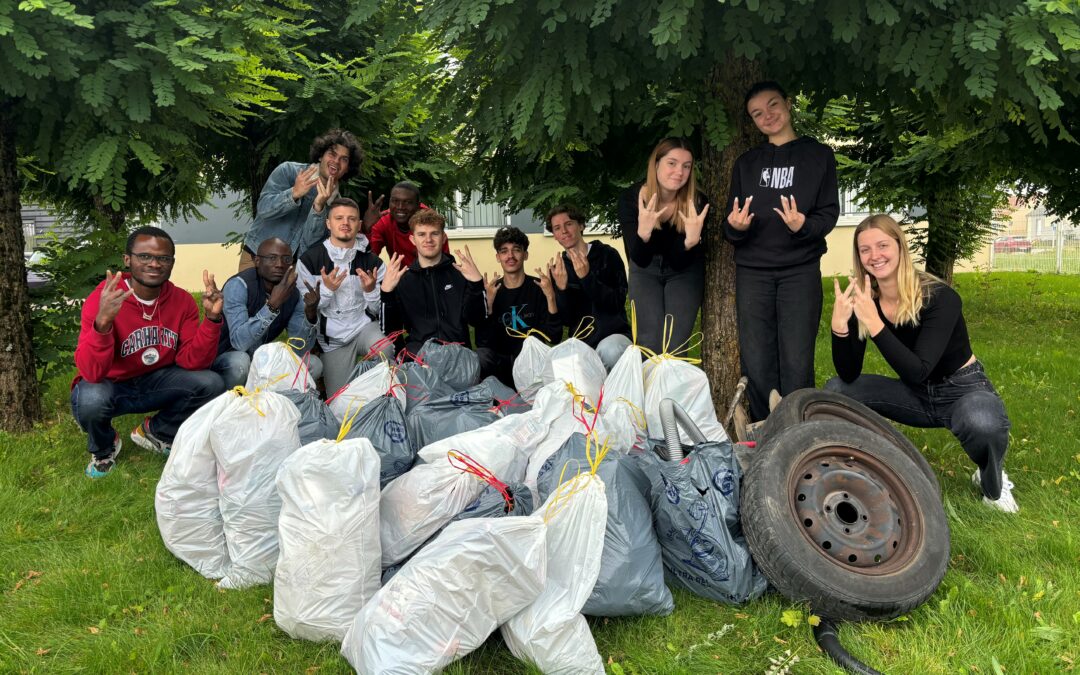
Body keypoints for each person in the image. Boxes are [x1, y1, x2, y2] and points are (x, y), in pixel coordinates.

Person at [826, 215, 1018, 513]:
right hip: (915, 394)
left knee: (982, 422)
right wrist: (840, 328)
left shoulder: (940, 297)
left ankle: (993, 480)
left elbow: (920, 368)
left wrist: (875, 324)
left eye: (882, 245)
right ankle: (862, 466)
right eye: (865, 250)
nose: (875, 256)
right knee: (836, 391)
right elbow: (848, 374)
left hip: (962, 389)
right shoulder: (867, 301)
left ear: (900, 247)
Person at [724, 80, 839, 421]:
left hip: (799, 271)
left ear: (788, 105)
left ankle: (799, 431)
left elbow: (829, 213)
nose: (767, 116)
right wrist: (736, 227)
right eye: (757, 113)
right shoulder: (746, 164)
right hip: (753, 273)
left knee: (796, 360)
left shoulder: (818, 156)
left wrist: (802, 226)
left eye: (772, 105)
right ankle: (764, 432)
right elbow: (731, 226)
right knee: (757, 360)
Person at [71, 226, 226, 478]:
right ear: (127, 260)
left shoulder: (182, 301)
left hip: (156, 380)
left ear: (172, 263)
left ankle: (156, 432)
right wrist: (103, 323)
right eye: (145, 256)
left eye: (163, 258)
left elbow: (192, 362)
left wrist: (211, 319)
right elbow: (91, 371)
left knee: (211, 382)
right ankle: (104, 448)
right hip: (112, 384)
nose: (154, 264)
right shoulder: (104, 298)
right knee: (89, 400)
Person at [618, 138, 711, 353]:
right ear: (656, 164)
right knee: (649, 343)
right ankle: (649, 386)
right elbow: (639, 258)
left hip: (684, 269)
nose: (679, 171)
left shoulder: (697, 203)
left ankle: (674, 386)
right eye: (672, 163)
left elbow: (680, 262)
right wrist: (644, 233)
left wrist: (690, 242)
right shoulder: (630, 200)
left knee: (675, 345)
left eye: (686, 166)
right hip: (645, 268)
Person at [296, 198, 394, 396]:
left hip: (364, 328)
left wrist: (370, 291)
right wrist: (328, 290)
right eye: (338, 218)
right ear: (328, 223)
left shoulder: (372, 261)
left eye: (352, 219)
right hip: (333, 339)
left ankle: (378, 393)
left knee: (385, 349)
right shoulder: (309, 261)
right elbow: (309, 311)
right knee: (338, 399)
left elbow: (377, 311)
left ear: (359, 225)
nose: (345, 223)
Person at [240, 128, 363, 271]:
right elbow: (263, 209)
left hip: (292, 270)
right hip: (256, 258)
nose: (336, 161)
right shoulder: (289, 171)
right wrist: (293, 194)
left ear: (348, 168)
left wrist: (319, 207)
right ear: (320, 156)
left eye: (344, 159)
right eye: (332, 154)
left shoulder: (337, 206)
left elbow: (310, 245)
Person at [212, 237, 323, 388]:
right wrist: (272, 305)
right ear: (257, 261)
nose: (279, 264)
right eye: (272, 258)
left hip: (259, 358)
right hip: (225, 357)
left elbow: (299, 348)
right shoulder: (239, 286)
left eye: (286, 259)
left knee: (313, 364)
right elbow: (239, 343)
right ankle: (232, 405)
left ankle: (276, 405)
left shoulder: (293, 294)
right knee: (241, 362)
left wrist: (310, 315)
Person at [380, 208, 487, 355]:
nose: (428, 240)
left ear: (443, 237)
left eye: (434, 233)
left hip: (458, 354)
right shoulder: (404, 280)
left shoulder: (460, 274)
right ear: (413, 239)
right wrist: (386, 293)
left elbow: (477, 320)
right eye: (422, 234)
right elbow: (390, 331)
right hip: (420, 358)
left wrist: (476, 283)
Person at [546, 205, 632, 370]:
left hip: (614, 337)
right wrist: (561, 289)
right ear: (555, 236)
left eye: (569, 224)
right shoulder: (559, 269)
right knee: (556, 365)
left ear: (581, 225)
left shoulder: (608, 255)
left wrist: (587, 278)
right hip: (582, 344)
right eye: (557, 228)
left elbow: (617, 302)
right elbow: (567, 320)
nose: (564, 231)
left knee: (609, 351)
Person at [477, 226, 562, 386]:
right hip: (501, 365)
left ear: (525, 255)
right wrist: (488, 303)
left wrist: (550, 296)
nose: (510, 256)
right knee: (480, 356)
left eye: (516, 250)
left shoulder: (540, 288)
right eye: (504, 251)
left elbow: (554, 337)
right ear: (498, 257)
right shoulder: (492, 291)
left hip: (532, 364)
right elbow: (483, 344)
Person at [361, 181, 448, 267]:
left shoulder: (430, 222)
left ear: (418, 205)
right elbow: (369, 260)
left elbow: (445, 263)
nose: (400, 207)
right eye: (395, 201)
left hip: (431, 275)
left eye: (407, 202)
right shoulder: (383, 221)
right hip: (399, 277)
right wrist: (366, 230)